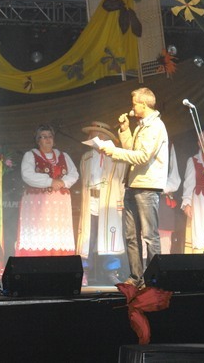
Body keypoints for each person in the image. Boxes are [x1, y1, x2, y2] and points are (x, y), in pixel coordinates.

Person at [102, 87, 169, 289]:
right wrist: (125, 130)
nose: (132, 107)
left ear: (143, 104)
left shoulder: (155, 126)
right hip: (133, 184)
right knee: (131, 235)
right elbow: (132, 149)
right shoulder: (142, 126)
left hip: (147, 186)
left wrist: (113, 151)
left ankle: (154, 280)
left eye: (134, 104)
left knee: (149, 235)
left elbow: (142, 157)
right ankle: (136, 277)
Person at [77, 121, 128, 286]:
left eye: (96, 135)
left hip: (109, 202)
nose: (92, 137)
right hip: (90, 202)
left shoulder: (117, 157)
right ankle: (84, 271)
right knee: (88, 237)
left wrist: (120, 201)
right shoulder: (86, 158)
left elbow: (122, 179)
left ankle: (111, 272)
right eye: (91, 135)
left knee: (110, 235)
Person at [16, 124, 78, 256]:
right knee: (39, 234)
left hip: (59, 204)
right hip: (38, 204)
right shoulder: (30, 155)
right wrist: (50, 181)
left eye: (50, 136)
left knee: (58, 235)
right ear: (38, 140)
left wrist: (63, 182)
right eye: (44, 137)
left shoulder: (63, 156)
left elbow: (74, 174)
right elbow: (27, 175)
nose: (48, 139)